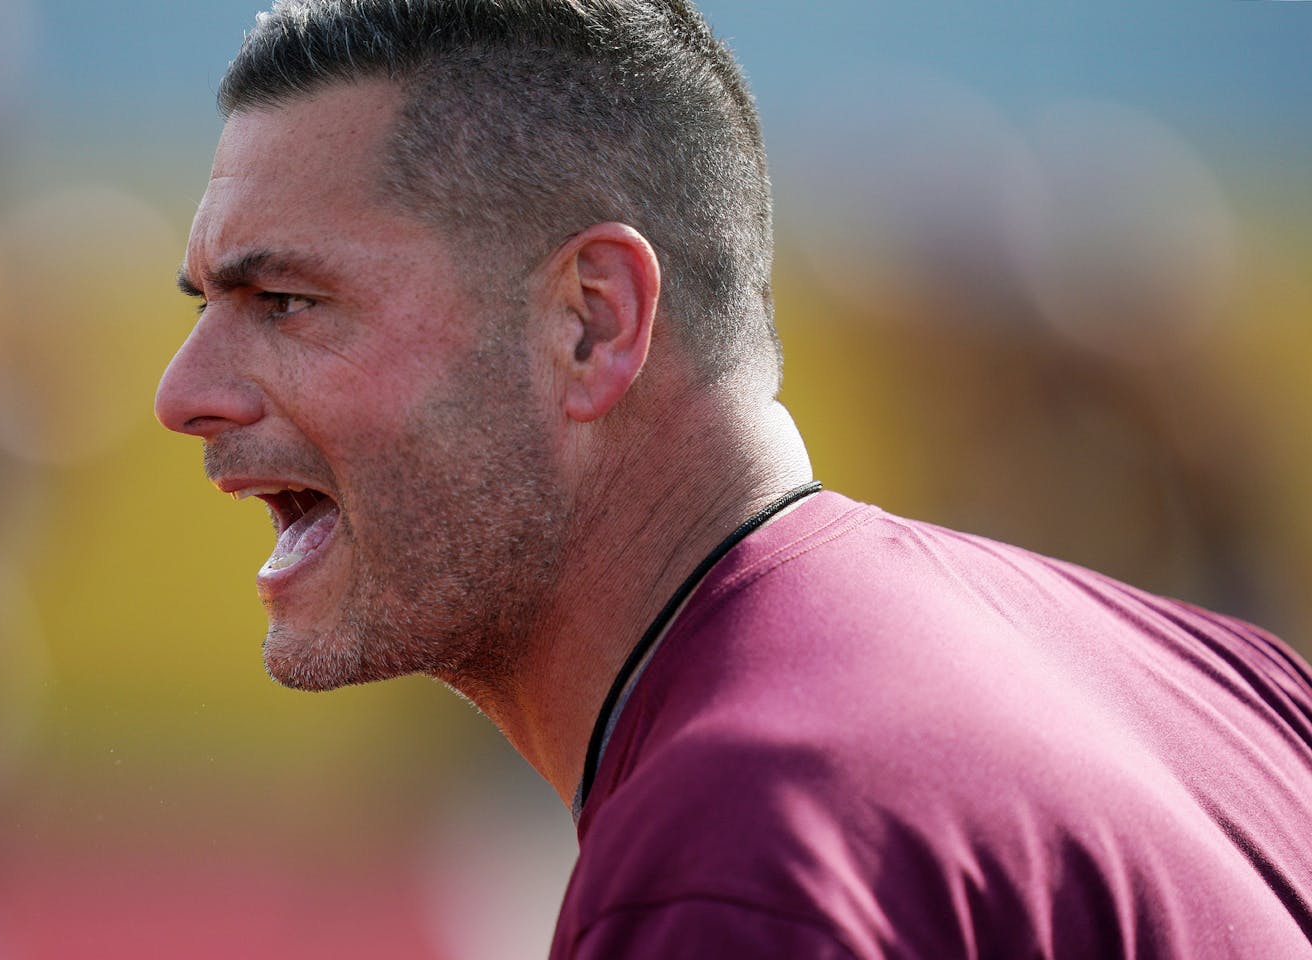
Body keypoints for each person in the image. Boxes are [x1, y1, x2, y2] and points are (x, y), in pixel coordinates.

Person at [154, 1, 1312, 956]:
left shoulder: (748, 858)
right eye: (208, 306)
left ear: (592, 323)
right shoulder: (1228, 679)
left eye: (290, 302)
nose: (181, 394)